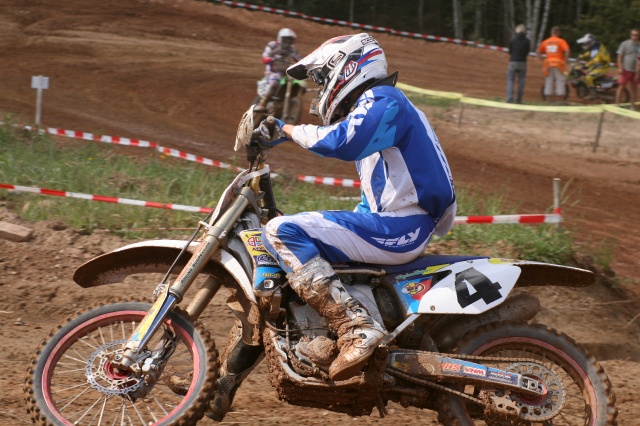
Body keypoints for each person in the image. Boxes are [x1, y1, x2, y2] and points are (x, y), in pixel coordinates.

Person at [208, 33, 457, 420]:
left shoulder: (384, 100)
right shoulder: (382, 113)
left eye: (321, 78)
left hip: (402, 228)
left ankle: (356, 327)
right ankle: (220, 386)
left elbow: (341, 142)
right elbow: (371, 199)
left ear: (348, 67)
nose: (319, 89)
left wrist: (285, 130)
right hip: (395, 225)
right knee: (286, 265)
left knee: (283, 232)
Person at [255, 28, 301, 111]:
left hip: (286, 73)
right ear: (280, 38)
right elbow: (264, 58)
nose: (287, 42)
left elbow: (300, 60)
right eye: (285, 40)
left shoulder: (292, 50)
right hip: (272, 71)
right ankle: (262, 102)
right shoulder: (272, 45)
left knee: (297, 81)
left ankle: (285, 104)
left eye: (290, 40)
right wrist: (273, 59)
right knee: (274, 80)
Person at [537, 26, 570, 103]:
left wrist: (542, 60)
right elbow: (567, 50)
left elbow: (538, 52)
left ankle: (548, 99)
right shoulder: (561, 41)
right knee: (560, 80)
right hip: (558, 63)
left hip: (548, 63)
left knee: (549, 80)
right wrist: (565, 59)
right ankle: (561, 99)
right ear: (558, 33)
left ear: (551, 33)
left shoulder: (546, 41)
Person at [577, 33, 611, 99]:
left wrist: (585, 66)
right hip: (599, 65)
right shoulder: (596, 46)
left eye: (587, 43)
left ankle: (593, 94)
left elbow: (594, 60)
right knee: (587, 73)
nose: (585, 44)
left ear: (591, 42)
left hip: (602, 67)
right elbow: (590, 53)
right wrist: (582, 56)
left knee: (588, 77)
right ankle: (594, 87)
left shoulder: (595, 49)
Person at [506, 24, 531, 104]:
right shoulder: (527, 41)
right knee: (521, 80)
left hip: (513, 61)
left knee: (510, 80)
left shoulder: (512, 39)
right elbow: (527, 52)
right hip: (523, 62)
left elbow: (510, 51)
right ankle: (519, 99)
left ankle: (510, 98)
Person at [615, 28, 640, 109]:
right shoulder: (625, 44)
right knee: (621, 87)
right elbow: (620, 56)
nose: (634, 36)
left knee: (633, 89)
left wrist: (638, 73)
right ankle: (617, 105)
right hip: (625, 69)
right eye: (632, 35)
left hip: (635, 71)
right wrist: (620, 67)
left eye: (636, 35)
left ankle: (632, 105)